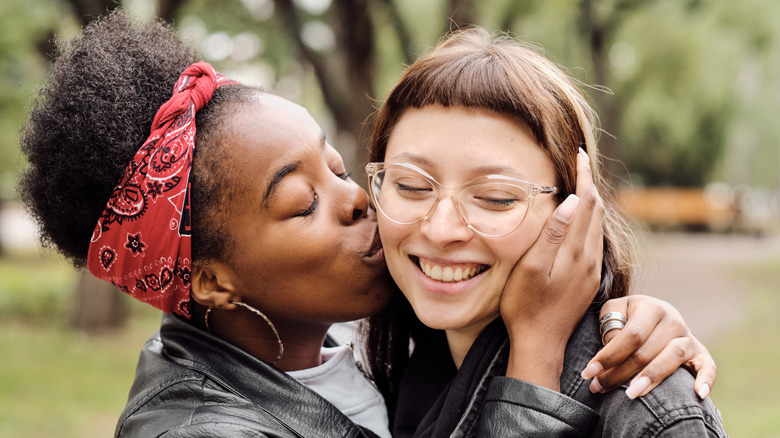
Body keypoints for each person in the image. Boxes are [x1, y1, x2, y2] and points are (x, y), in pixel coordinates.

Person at [18, 11, 716, 437]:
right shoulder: (199, 429)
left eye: (340, 169)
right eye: (303, 202)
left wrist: (628, 314)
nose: (358, 202)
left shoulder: (374, 348)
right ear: (212, 281)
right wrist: (535, 359)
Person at [363, 27, 727, 436]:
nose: (441, 229)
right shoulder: (388, 375)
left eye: (496, 197)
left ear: (576, 212)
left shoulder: (650, 414)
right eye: (411, 186)